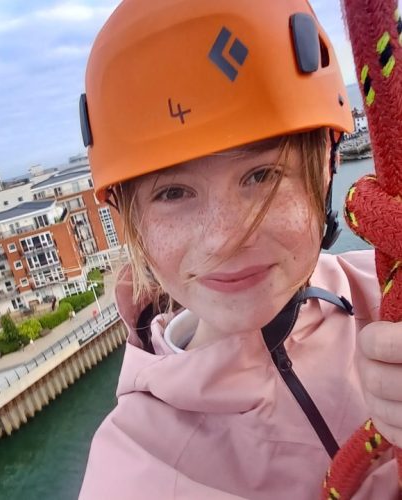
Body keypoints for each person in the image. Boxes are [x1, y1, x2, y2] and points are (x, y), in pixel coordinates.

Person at [78, 1, 402, 498]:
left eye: (262, 176)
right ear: (130, 222)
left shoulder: (384, 295)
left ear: (326, 170)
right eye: (173, 193)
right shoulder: (133, 470)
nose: (225, 239)